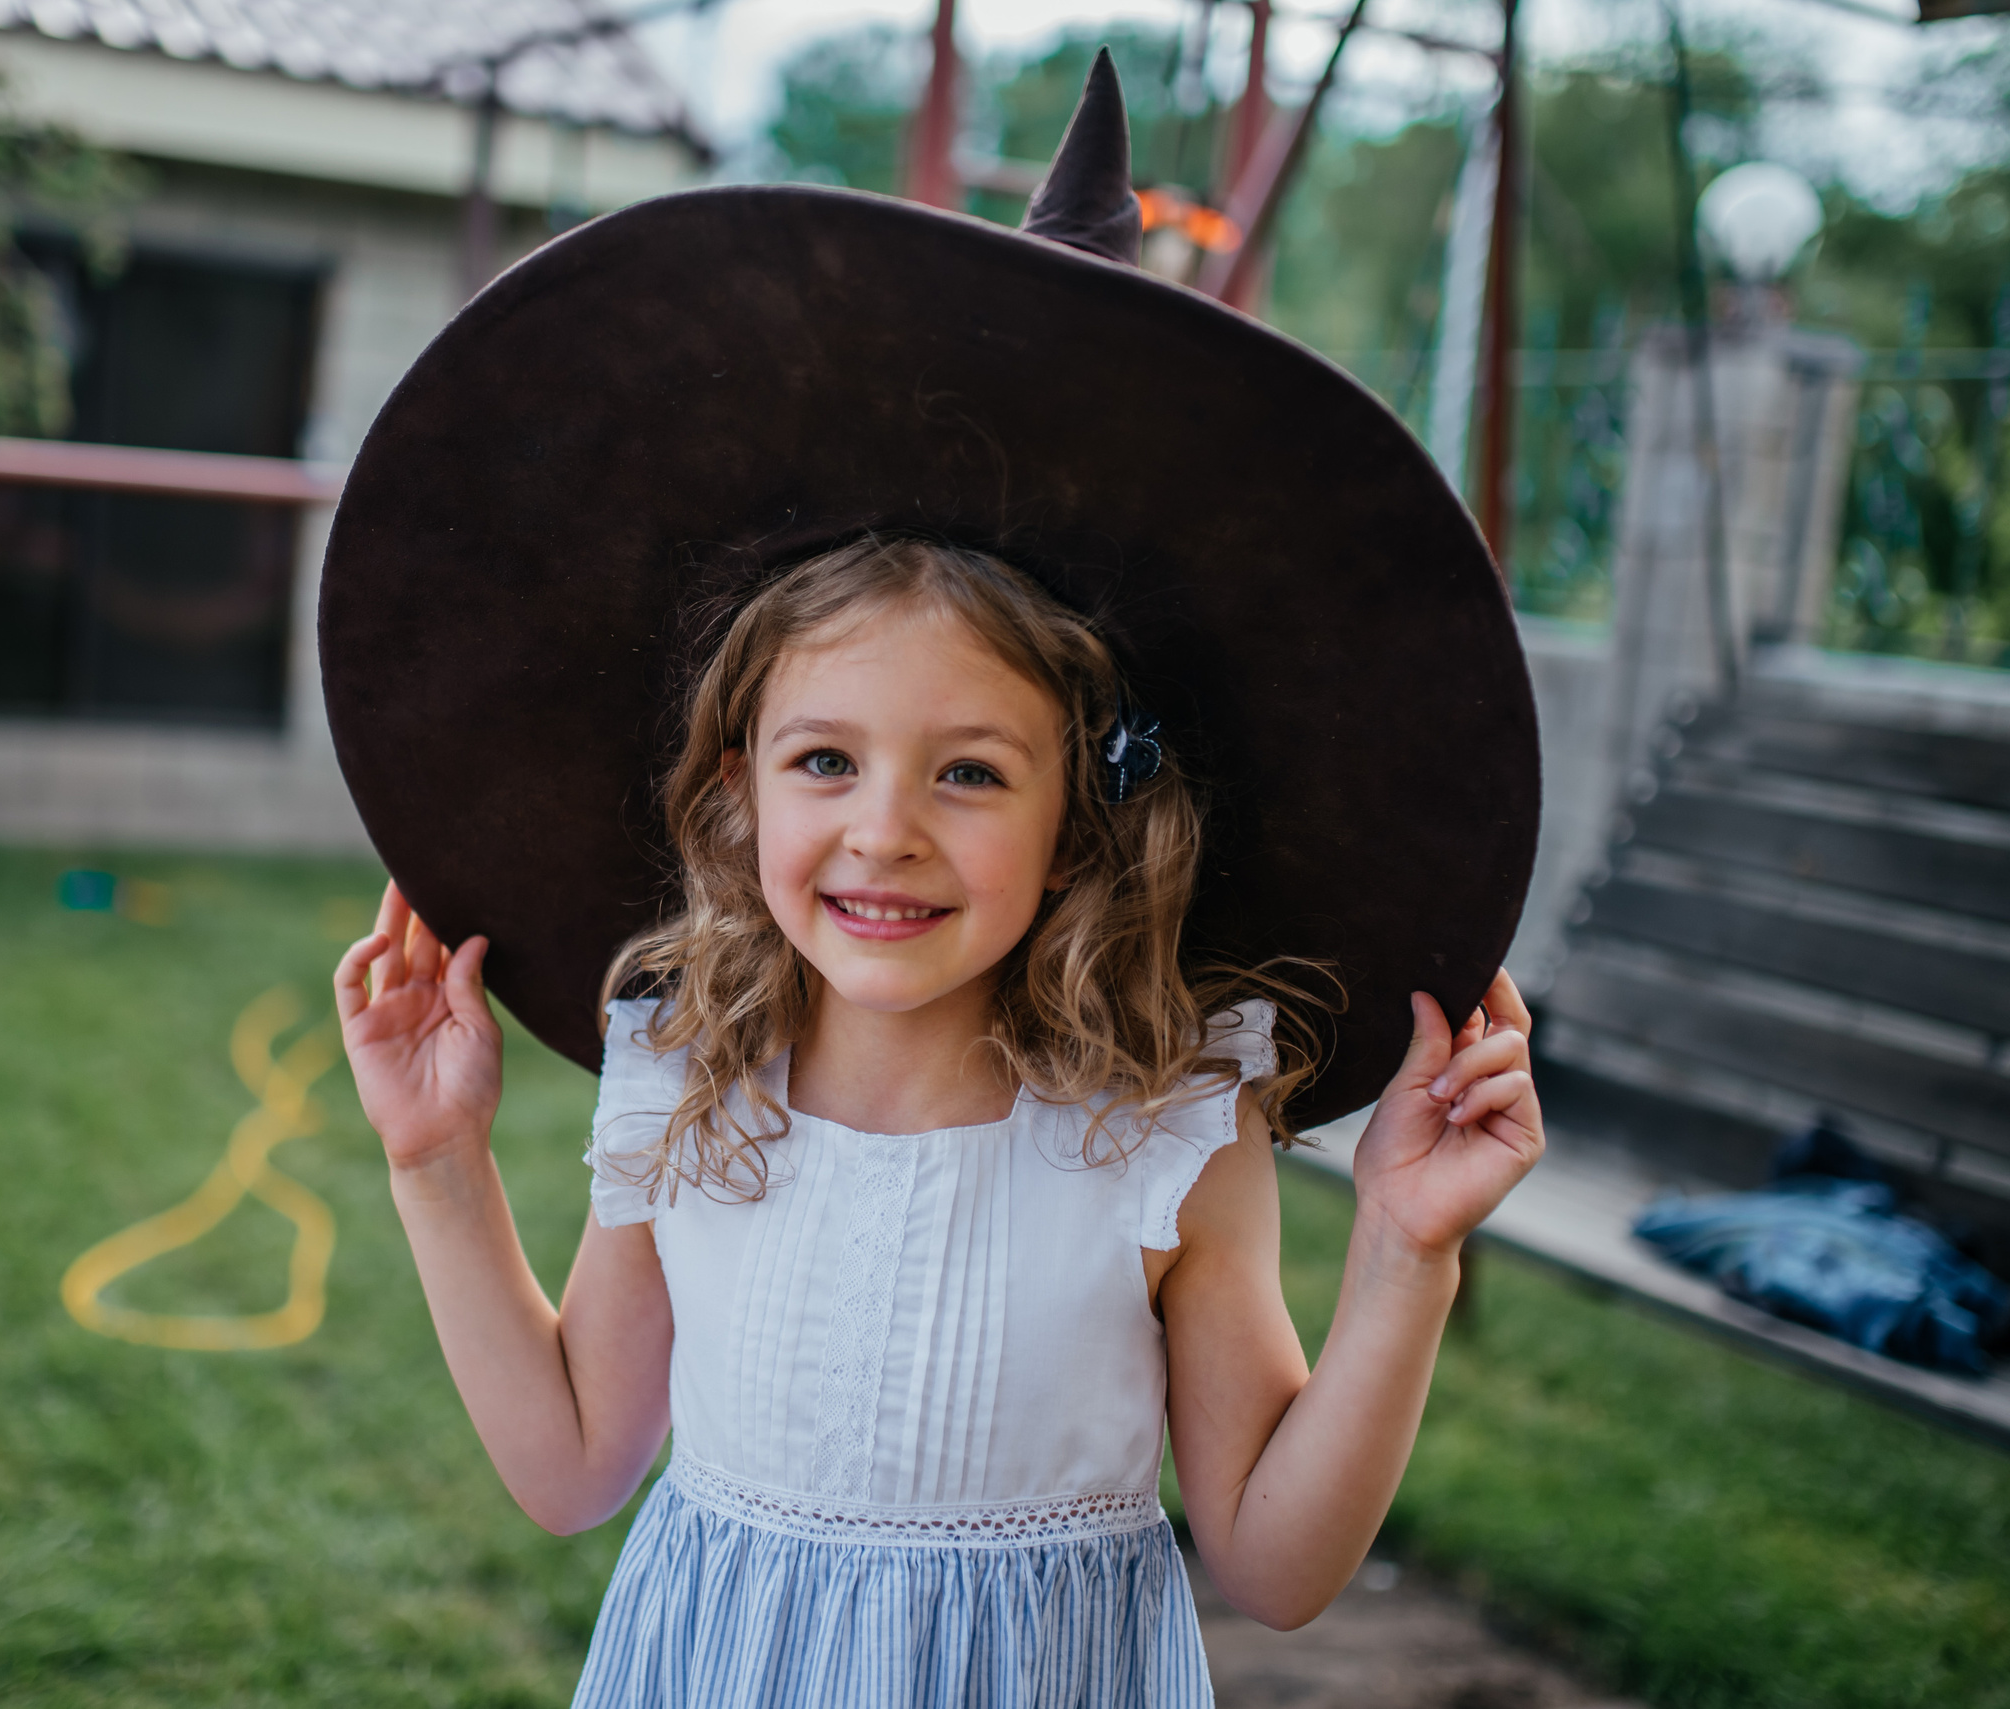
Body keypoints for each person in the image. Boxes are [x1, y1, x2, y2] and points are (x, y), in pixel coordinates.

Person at [319, 52, 1545, 1709]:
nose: (885, 830)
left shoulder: (1170, 1122)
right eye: (824, 760)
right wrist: (436, 1160)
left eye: (970, 771)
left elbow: (1273, 1563)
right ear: (736, 778)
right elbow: (574, 1466)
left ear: (1082, 816)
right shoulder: (691, 1074)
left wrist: (1406, 1255)